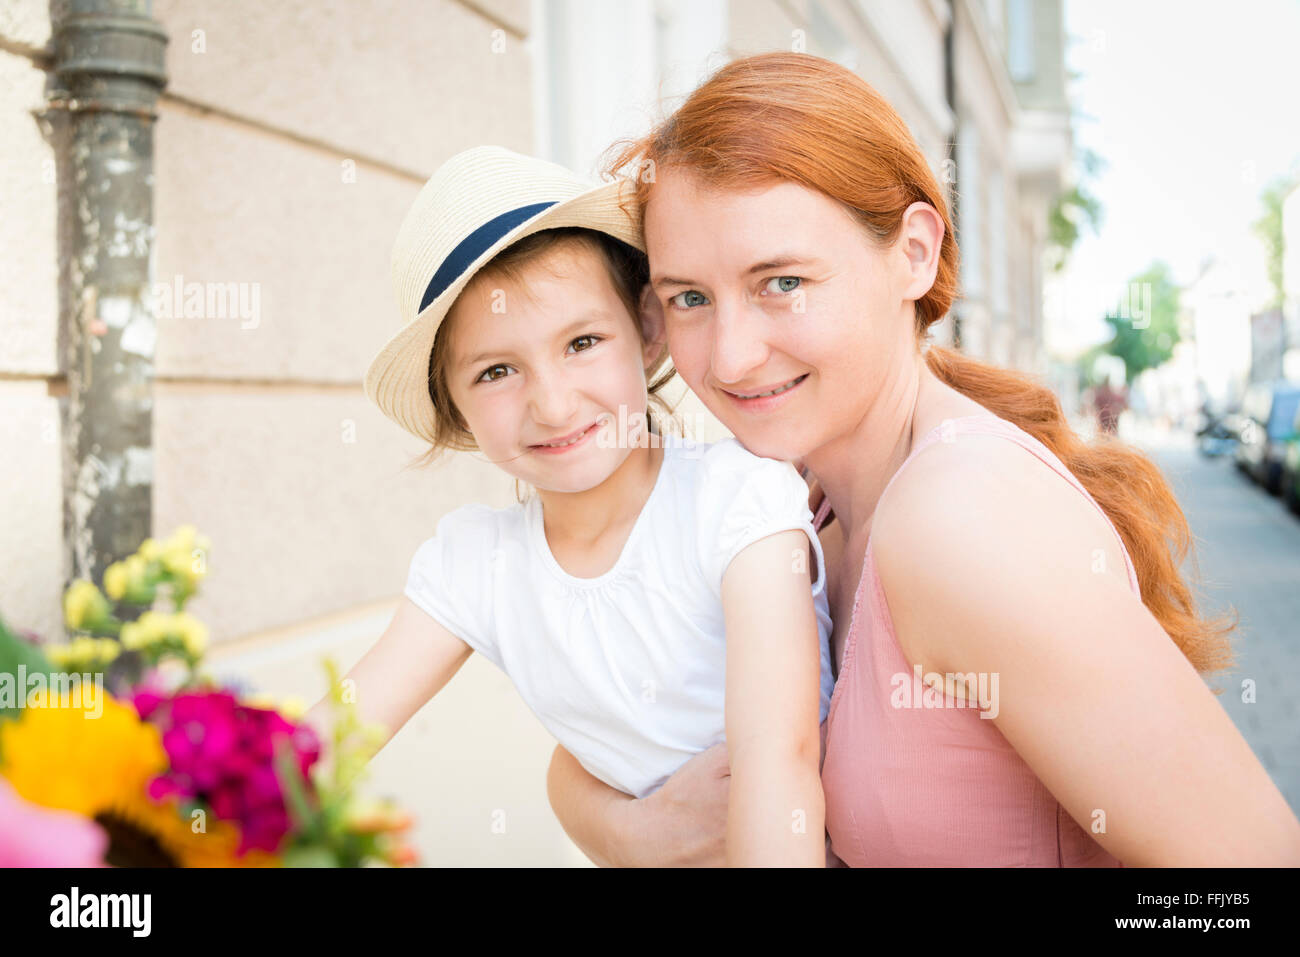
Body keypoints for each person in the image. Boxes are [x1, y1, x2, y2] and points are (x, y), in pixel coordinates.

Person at [545, 52, 1300, 866]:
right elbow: (597, 716)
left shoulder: (959, 518)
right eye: (689, 297)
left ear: (913, 252)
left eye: (782, 282)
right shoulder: (790, 501)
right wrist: (622, 829)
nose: (729, 358)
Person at [306, 145, 835, 866]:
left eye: (582, 342)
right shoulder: (476, 564)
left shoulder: (737, 499)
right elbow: (322, 744)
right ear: (454, 409)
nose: (553, 404)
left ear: (648, 330)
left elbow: (782, 757)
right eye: (496, 371)